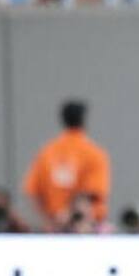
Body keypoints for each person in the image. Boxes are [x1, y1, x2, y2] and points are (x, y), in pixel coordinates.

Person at [23, 100, 111, 233]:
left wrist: (48, 220)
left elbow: (32, 192)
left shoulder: (47, 151)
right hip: (88, 228)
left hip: (56, 226)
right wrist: (72, 215)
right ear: (83, 120)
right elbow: (93, 192)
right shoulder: (94, 153)